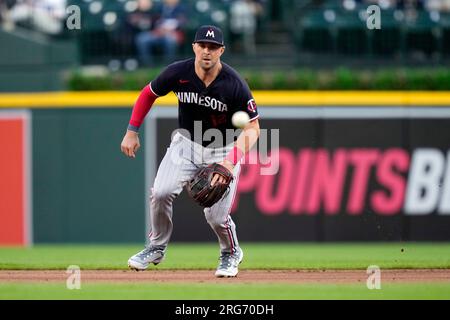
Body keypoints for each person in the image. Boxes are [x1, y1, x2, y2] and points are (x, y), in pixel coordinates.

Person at [121, 25, 260, 277]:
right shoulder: (178, 72)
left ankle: (230, 253)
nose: (207, 51)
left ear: (221, 51)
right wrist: (132, 130)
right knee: (161, 192)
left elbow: (253, 128)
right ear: (194, 47)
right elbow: (148, 93)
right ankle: (155, 247)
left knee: (217, 218)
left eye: (213, 47)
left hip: (223, 149)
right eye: (203, 46)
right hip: (185, 144)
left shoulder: (234, 84)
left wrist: (229, 163)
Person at [135, 0, 187, 66]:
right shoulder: (159, 7)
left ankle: (169, 66)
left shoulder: (182, 8)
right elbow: (154, 20)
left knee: (170, 41)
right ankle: (147, 65)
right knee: (142, 39)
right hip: (157, 32)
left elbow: (182, 22)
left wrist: (168, 29)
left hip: (173, 33)